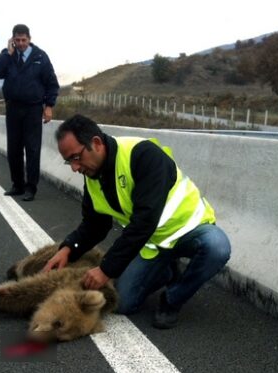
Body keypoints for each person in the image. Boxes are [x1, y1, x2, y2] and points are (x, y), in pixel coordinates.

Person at [43, 114, 231, 329]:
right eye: (69, 161)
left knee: (217, 247)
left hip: (190, 231)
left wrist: (106, 270)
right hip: (153, 243)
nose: (74, 168)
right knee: (123, 303)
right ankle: (166, 271)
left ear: (96, 143)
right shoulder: (93, 176)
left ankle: (172, 300)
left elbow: (144, 220)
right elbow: (95, 224)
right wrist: (69, 248)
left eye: (76, 157)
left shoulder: (142, 154)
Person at [0, 24, 59, 201]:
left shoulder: (40, 57)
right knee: (14, 149)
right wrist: (8, 53)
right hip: (13, 108)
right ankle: (17, 185)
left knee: (32, 149)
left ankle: (31, 188)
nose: (20, 43)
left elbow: (52, 83)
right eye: (17, 40)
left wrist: (49, 106)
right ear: (12, 40)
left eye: (23, 40)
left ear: (29, 39)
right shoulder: (8, 55)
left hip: (33, 109)